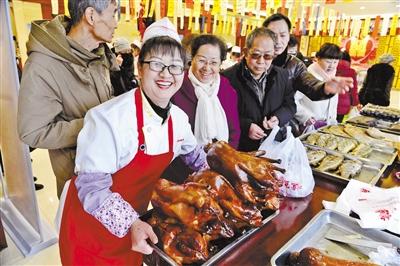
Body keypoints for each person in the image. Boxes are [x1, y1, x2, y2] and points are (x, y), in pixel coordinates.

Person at [59, 18, 208, 265]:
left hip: (136, 226)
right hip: (91, 228)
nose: (166, 74)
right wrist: (130, 223)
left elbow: (196, 158)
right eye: (156, 64)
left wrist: (216, 181)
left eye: (174, 66)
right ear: (140, 68)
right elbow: (91, 188)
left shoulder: (179, 119)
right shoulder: (108, 118)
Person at [17, 0, 119, 197]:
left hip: (112, 171)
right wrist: (96, 125)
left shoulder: (97, 55)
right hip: (79, 183)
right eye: (113, 14)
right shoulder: (43, 65)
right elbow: (32, 131)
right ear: (91, 16)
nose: (116, 23)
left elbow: (101, 102)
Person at [222, 27, 296, 151]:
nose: (261, 61)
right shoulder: (228, 78)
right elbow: (222, 113)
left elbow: (290, 105)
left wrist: (278, 118)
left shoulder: (282, 75)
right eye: (256, 55)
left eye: (267, 56)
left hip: (273, 145)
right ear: (245, 52)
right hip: (241, 148)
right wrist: (246, 126)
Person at [262, 13, 353, 100]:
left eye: (283, 35)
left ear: (288, 37)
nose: (278, 41)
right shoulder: (253, 60)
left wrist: (324, 88)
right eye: (273, 35)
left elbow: (310, 84)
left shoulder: (295, 65)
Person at [173, 34, 241, 148]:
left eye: (213, 62)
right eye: (201, 60)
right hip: (182, 160)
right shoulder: (176, 86)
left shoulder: (227, 90)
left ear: (220, 63)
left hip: (220, 161)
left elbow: (234, 132)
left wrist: (226, 158)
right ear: (192, 59)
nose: (207, 67)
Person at [294, 43, 341, 131]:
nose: (332, 66)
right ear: (318, 59)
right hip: (308, 126)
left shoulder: (333, 77)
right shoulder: (307, 77)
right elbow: (292, 100)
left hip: (328, 127)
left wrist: (332, 121)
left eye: (335, 62)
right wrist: (306, 117)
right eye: (328, 62)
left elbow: (333, 106)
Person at [336, 50, 359, 122]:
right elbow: (354, 89)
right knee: (338, 123)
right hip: (344, 101)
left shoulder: (331, 68)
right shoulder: (351, 71)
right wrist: (354, 103)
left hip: (329, 99)